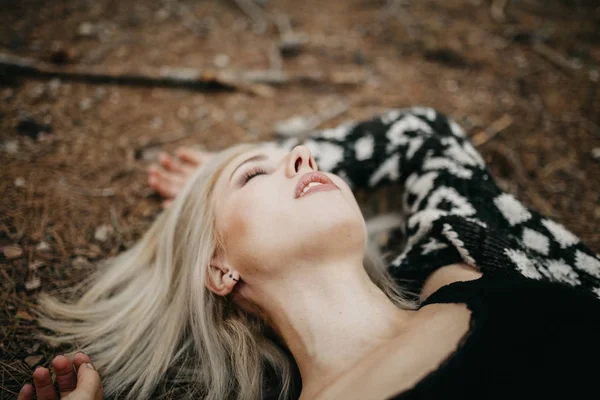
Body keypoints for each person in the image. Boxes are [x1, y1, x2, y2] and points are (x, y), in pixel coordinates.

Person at [21, 107, 600, 400]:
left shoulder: (456, 262)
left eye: (305, 157)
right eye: (253, 176)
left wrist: (243, 164)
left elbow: (428, 137)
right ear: (218, 268)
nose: (304, 155)